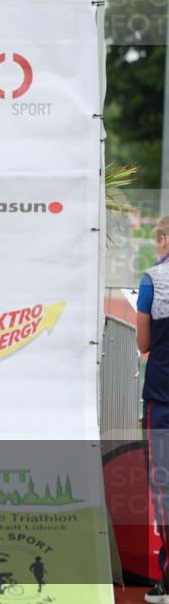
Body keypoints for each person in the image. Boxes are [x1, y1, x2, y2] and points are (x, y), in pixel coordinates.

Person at [137, 215, 169, 604]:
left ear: (163, 239)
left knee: (164, 486)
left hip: (162, 396)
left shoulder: (151, 280)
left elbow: (143, 343)